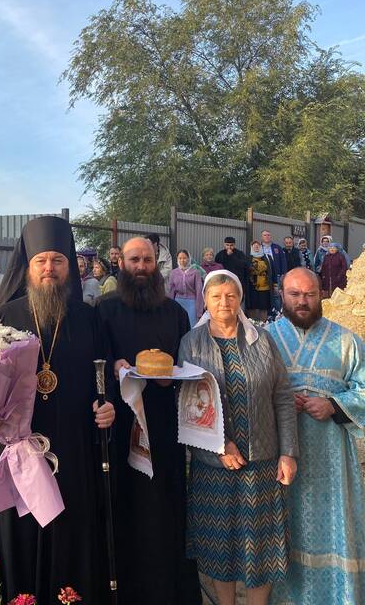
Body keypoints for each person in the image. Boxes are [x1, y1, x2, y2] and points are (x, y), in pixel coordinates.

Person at [0, 216, 115, 604]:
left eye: (58, 261)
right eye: (41, 261)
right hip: (17, 449)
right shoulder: (5, 316)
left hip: (74, 448)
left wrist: (108, 409)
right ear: (28, 267)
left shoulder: (89, 318)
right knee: (21, 534)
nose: (50, 268)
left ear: (70, 266)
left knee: (72, 531)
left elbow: (105, 384)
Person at [178, 270, 298, 605]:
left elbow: (282, 396)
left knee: (261, 549)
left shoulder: (262, 340)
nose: (224, 303)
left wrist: (288, 452)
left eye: (231, 295)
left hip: (261, 464)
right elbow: (187, 403)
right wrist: (220, 446)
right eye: (216, 296)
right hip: (214, 465)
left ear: (240, 299)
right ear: (205, 300)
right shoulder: (191, 343)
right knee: (221, 547)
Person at [97, 237, 202, 604]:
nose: (141, 266)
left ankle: (165, 588)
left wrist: (172, 377)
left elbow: (186, 366)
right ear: (121, 263)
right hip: (119, 425)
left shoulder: (174, 313)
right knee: (123, 505)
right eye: (134, 259)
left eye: (147, 260)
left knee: (162, 508)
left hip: (163, 427)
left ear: (157, 264)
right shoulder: (104, 310)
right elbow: (94, 362)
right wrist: (113, 367)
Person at [268, 268, 365, 605]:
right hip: (280, 454)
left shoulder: (347, 341)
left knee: (334, 524)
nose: (302, 301)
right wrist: (280, 402)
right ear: (282, 294)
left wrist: (334, 405)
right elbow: (250, 391)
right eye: (295, 294)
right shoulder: (265, 339)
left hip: (331, 456)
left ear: (321, 294)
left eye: (309, 294)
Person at [168, 250, 204, 327]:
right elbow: (171, 291)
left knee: (192, 325)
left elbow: (199, 291)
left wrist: (199, 311)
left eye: (184, 258)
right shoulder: (173, 273)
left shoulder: (195, 273)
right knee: (178, 325)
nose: (182, 260)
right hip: (178, 302)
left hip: (192, 303)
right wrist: (170, 308)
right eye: (180, 258)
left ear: (189, 259)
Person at [261, 230, 287, 315]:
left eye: (268, 235)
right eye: (265, 235)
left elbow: (283, 261)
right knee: (266, 294)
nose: (267, 237)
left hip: (277, 275)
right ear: (262, 237)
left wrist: (283, 273)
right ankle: (268, 314)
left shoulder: (277, 247)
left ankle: (277, 314)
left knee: (277, 295)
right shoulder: (259, 247)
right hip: (264, 276)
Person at [247, 240, 272, 323]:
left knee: (263, 306)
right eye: (254, 246)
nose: (256, 247)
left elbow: (271, 270)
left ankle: (263, 323)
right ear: (252, 248)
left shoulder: (267, 257)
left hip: (264, 286)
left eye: (258, 246)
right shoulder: (248, 258)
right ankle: (253, 324)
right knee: (253, 305)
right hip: (252, 286)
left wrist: (274, 283)